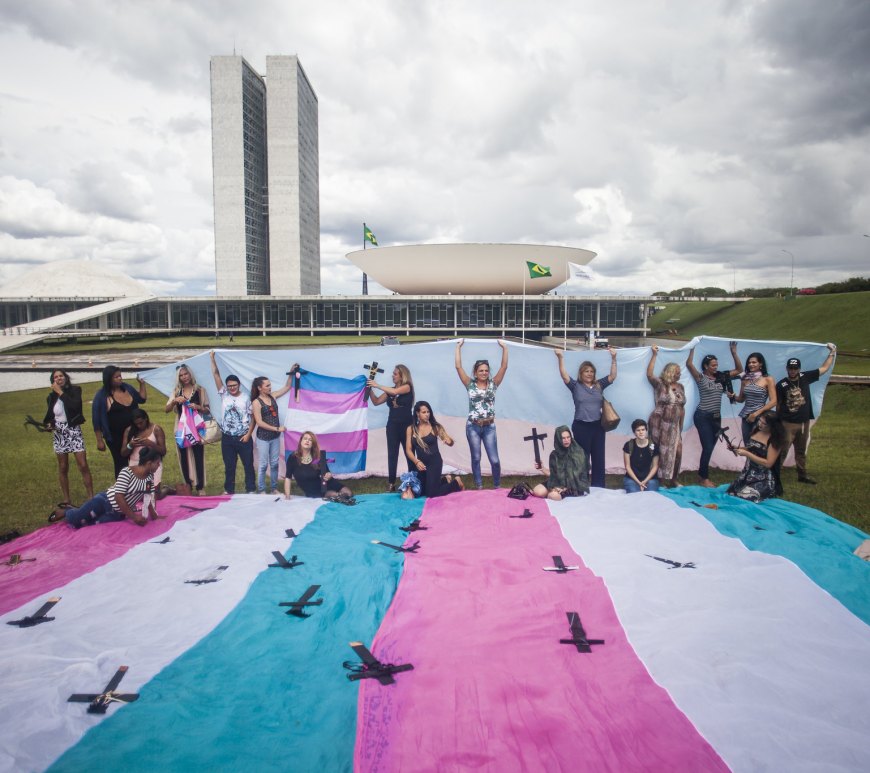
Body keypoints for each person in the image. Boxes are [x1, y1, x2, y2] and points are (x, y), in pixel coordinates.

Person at [49, 446, 162, 528]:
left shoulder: (149, 478)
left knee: (90, 526)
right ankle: (66, 512)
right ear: (149, 463)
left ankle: (78, 511)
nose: (158, 466)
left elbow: (147, 497)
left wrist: (154, 516)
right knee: (77, 521)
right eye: (157, 463)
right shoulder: (127, 472)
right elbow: (118, 497)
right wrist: (134, 517)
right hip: (104, 502)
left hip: (118, 514)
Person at [555, 347, 618, 488]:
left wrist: (614, 359)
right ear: (581, 373)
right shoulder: (575, 386)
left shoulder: (599, 385)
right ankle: (581, 485)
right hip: (581, 426)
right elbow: (564, 376)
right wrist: (560, 357)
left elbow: (612, 376)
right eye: (586, 371)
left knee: (598, 457)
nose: (589, 374)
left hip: (598, 426)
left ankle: (598, 486)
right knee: (582, 458)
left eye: (591, 371)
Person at [775, 343, 837, 485]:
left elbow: (824, 369)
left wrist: (832, 353)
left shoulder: (805, 377)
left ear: (799, 369)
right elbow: (778, 404)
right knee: (783, 449)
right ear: (787, 369)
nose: (793, 371)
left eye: (795, 368)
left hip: (803, 421)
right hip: (788, 422)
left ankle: (802, 475)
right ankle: (775, 475)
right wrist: (778, 421)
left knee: (801, 450)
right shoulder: (781, 384)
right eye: (790, 368)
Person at [686, 342, 742, 487]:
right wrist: (692, 347)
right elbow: (689, 364)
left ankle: (701, 475)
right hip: (702, 416)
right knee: (708, 446)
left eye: (716, 364)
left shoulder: (721, 376)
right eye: (712, 365)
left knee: (710, 447)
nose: (716, 367)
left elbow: (739, 370)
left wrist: (733, 352)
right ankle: (704, 478)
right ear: (706, 366)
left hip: (716, 417)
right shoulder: (701, 378)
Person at [455, 339, 508, 489]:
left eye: (486, 370)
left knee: (494, 460)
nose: (484, 373)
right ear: (475, 373)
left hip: (489, 427)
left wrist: (505, 348)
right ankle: (479, 486)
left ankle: (497, 486)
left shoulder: (493, 384)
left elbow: (504, 366)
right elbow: (458, 367)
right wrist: (458, 347)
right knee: (476, 458)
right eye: (481, 371)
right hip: (473, 426)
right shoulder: (469, 384)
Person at [43, 369, 94, 505]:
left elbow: (75, 407)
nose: (59, 378)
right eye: (56, 377)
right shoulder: (51, 397)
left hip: (73, 430)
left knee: (83, 465)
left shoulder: (75, 390)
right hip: (59, 433)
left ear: (65, 378)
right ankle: (66, 499)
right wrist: (49, 425)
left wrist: (60, 392)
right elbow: (50, 416)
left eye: (61, 376)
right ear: (53, 381)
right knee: (63, 467)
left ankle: (91, 497)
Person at [210, 351, 256, 495]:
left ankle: (251, 489)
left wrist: (248, 435)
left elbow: (253, 418)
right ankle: (229, 489)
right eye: (229, 386)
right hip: (227, 438)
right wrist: (212, 359)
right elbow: (216, 375)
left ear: (239, 384)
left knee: (248, 465)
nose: (232, 388)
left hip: (243, 437)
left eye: (234, 385)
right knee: (229, 466)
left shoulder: (246, 398)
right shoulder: (224, 395)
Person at [92, 365, 147, 478]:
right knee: (121, 464)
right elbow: (96, 420)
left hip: (134, 433)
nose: (120, 378)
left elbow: (142, 399)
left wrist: (142, 384)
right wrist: (99, 441)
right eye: (116, 377)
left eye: (120, 376)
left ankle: (139, 484)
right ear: (108, 379)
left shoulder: (127, 388)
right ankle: (122, 486)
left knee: (138, 460)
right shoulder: (101, 396)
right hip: (115, 437)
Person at [367, 364, 414, 492]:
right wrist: (369, 388)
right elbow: (376, 401)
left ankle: (413, 480)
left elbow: (394, 392)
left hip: (407, 426)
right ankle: (391, 483)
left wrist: (377, 385)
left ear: (402, 376)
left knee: (409, 453)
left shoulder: (407, 387)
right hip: (392, 425)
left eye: (395, 374)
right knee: (392, 454)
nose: (392, 376)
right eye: (393, 373)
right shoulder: (390, 390)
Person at [164, 364, 210, 495]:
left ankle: (200, 486)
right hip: (181, 429)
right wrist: (174, 401)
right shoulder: (176, 391)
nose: (184, 377)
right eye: (181, 375)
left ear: (190, 374)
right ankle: (188, 485)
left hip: (196, 428)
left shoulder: (200, 390)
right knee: (183, 457)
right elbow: (166, 409)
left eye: (186, 374)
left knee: (198, 456)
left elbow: (207, 409)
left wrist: (198, 407)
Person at [405, 401, 465, 498]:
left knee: (432, 494)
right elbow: (408, 450)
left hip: (434, 463)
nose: (427, 414)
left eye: (428, 412)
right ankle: (445, 480)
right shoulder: (411, 429)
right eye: (424, 412)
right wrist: (416, 462)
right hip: (421, 464)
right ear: (417, 413)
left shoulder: (435, 427)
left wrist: (448, 441)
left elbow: (450, 442)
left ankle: (456, 483)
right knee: (421, 491)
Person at [646, 347, 686, 487]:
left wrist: (680, 427)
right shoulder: (660, 384)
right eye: (677, 372)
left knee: (678, 451)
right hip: (659, 423)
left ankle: (674, 479)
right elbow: (649, 374)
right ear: (670, 372)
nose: (679, 374)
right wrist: (654, 355)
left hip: (674, 424)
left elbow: (682, 408)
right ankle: (660, 480)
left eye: (679, 372)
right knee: (661, 452)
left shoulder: (680, 387)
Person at [726, 410, 785, 502]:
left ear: (772, 426)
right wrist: (737, 448)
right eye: (759, 420)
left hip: (763, 478)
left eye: (764, 423)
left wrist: (747, 454)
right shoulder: (757, 430)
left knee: (744, 498)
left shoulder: (775, 439)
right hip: (747, 473)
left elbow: (768, 463)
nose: (760, 424)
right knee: (731, 494)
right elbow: (752, 448)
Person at [251, 372, 294, 494]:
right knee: (263, 465)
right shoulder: (256, 402)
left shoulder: (273, 396)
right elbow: (259, 422)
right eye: (267, 385)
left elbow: (287, 387)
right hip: (263, 438)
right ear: (259, 388)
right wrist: (276, 428)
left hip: (275, 438)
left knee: (274, 464)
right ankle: (261, 489)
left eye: (270, 385)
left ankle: (274, 488)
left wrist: (291, 373)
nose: (270, 387)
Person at [284, 431, 353, 501]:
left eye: (310, 440)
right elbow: (288, 478)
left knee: (348, 493)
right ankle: (340, 498)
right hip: (314, 490)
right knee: (335, 495)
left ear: (312, 444)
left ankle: (343, 498)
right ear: (301, 441)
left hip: (326, 483)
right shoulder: (293, 457)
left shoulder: (317, 457)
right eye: (305, 438)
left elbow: (327, 472)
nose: (307, 441)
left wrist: (328, 475)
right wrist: (287, 497)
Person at [531, 425, 589, 500]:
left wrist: (564, 488)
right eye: (563, 438)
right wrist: (542, 468)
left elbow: (579, 476)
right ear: (558, 439)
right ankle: (554, 491)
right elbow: (554, 475)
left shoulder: (578, 453)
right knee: (537, 491)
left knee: (552, 496)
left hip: (575, 485)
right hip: (558, 482)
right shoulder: (554, 455)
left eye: (568, 437)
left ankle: (557, 493)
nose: (566, 440)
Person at [735, 352, 777, 444]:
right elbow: (741, 399)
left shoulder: (768, 379)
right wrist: (733, 396)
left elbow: (774, 401)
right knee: (747, 444)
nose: (751, 364)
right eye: (749, 363)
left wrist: (755, 414)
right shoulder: (745, 379)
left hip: (760, 417)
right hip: (746, 416)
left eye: (754, 362)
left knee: (758, 445)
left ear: (760, 364)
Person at [120, 409, 166, 492]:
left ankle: (167, 490)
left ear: (146, 419)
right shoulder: (129, 430)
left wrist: (151, 444)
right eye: (136, 424)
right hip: (135, 464)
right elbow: (123, 453)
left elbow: (163, 451)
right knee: (136, 493)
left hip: (153, 464)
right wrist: (130, 445)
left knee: (154, 494)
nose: (139, 426)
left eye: (141, 423)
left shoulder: (156, 429)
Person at [623, 419, 660, 493]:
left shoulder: (653, 445)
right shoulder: (628, 445)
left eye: (643, 430)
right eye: (638, 430)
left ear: (646, 431)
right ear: (634, 432)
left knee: (650, 495)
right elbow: (627, 466)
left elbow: (655, 466)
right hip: (632, 479)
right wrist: (639, 482)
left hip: (650, 479)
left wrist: (645, 481)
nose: (641, 432)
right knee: (634, 495)